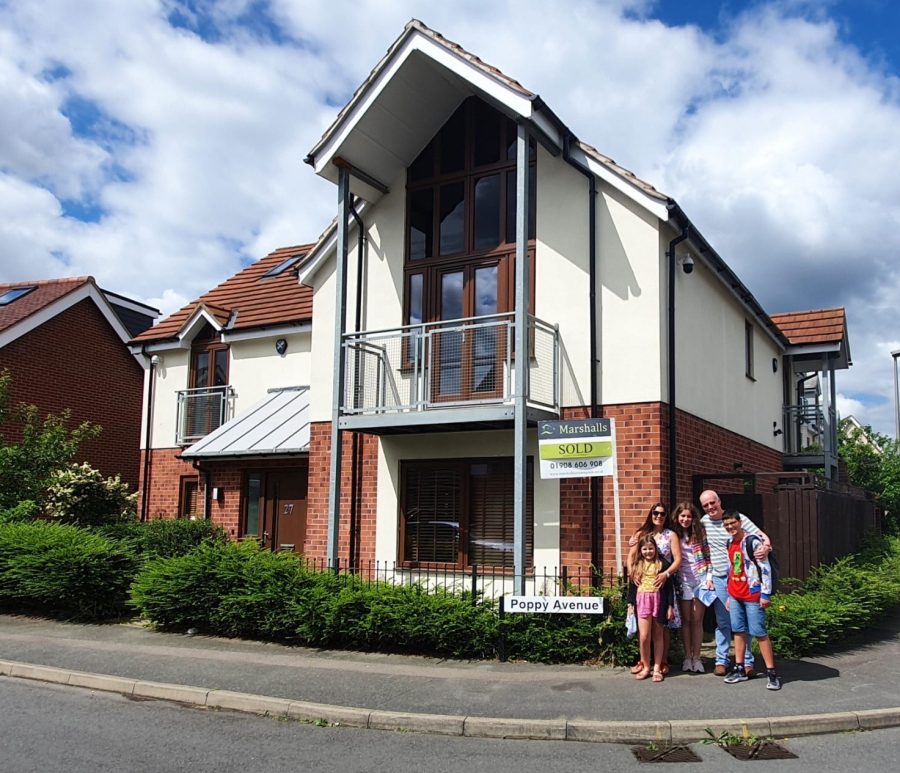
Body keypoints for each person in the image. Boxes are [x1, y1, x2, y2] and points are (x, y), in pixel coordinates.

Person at [699, 489, 771, 677]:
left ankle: (747, 662)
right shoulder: (704, 522)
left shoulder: (738, 519)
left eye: (712, 503)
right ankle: (721, 660)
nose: (710, 507)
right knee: (723, 621)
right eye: (705, 505)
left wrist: (766, 548)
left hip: (742, 579)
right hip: (719, 578)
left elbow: (762, 537)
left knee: (742, 622)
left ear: (719, 501)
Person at [721, 510, 782, 690]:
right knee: (738, 631)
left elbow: (765, 568)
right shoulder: (729, 542)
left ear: (740, 522)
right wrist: (729, 594)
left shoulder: (751, 541)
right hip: (735, 594)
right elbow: (731, 568)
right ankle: (739, 668)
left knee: (759, 632)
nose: (730, 527)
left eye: (733, 523)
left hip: (752, 595)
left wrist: (765, 594)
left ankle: (771, 672)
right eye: (726, 525)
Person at [626, 502, 682, 675]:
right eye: (655, 513)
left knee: (661, 628)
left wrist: (666, 574)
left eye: (662, 514)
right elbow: (631, 556)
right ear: (651, 515)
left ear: (666, 516)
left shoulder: (670, 535)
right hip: (643, 585)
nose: (659, 516)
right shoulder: (643, 533)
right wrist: (632, 573)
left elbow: (678, 559)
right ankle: (644, 662)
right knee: (643, 631)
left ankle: (661, 661)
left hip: (662, 582)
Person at [671, 501, 713, 673]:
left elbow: (709, 557)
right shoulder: (674, 535)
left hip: (700, 580)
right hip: (683, 582)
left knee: (697, 620)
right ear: (677, 517)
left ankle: (697, 657)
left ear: (693, 518)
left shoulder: (700, 534)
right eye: (683, 516)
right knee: (686, 621)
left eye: (689, 516)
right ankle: (687, 657)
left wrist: (709, 577)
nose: (685, 519)